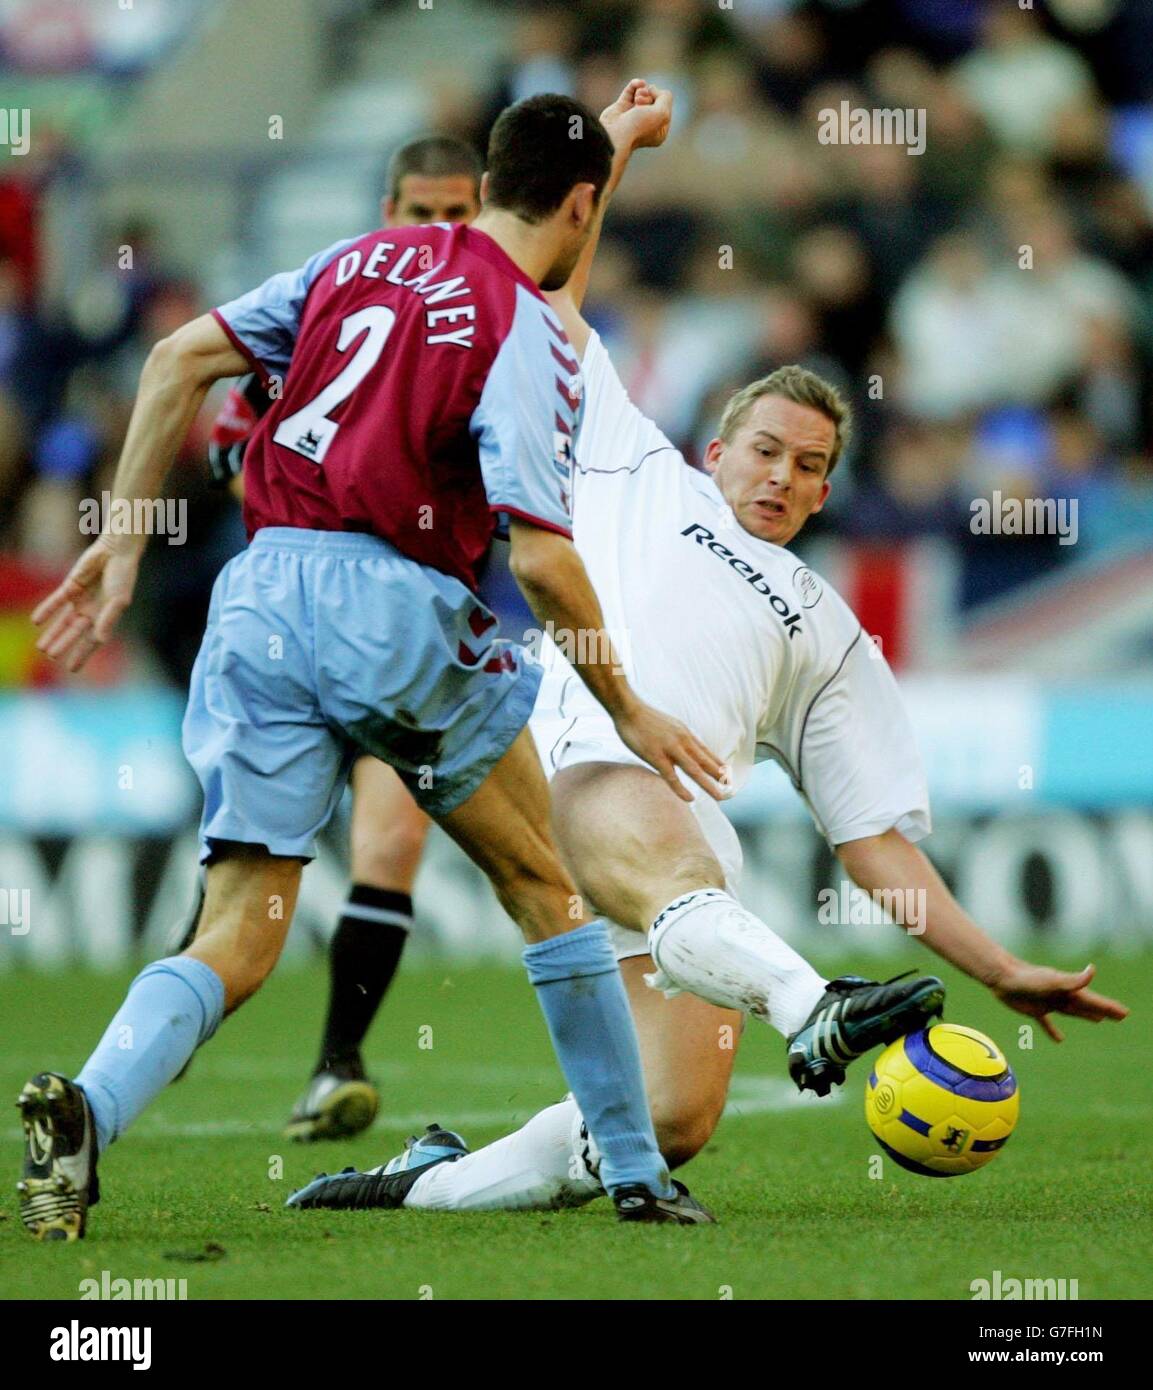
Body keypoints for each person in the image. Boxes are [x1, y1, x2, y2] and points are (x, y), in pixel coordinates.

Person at [286, 91, 1129, 1219]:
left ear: (829, 489)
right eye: (765, 450)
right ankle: (810, 999)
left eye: (809, 465)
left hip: (682, 836)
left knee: (669, 1119)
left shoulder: (827, 628)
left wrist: (999, 967)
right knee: (652, 828)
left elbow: (873, 840)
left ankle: (424, 1185)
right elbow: (540, 300)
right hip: (573, 750)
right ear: (717, 447)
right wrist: (618, 148)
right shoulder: (633, 464)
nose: (780, 476)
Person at [18, 90, 729, 1241]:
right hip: (394, 601)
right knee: (550, 887)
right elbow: (543, 561)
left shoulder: (361, 253)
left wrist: (126, 534)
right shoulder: (528, 331)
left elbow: (173, 359)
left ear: (485, 178)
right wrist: (630, 708)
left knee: (240, 923)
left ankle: (90, 1108)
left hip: (259, 596)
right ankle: (638, 1169)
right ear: (585, 204)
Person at [203, 134, 485, 1143]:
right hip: (297, 613)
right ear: (386, 205)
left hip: (414, 624)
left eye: (459, 211)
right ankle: (175, 1012)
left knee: (393, 840)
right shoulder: (328, 301)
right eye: (421, 209)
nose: (439, 229)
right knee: (244, 878)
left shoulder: (483, 323)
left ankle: (337, 1063)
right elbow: (230, 431)